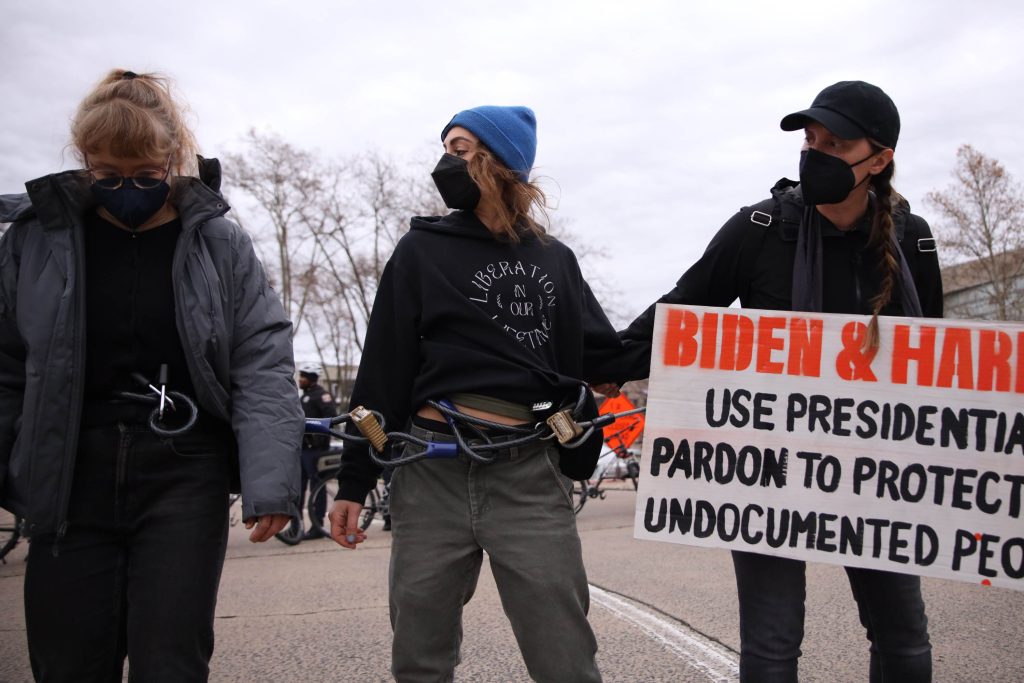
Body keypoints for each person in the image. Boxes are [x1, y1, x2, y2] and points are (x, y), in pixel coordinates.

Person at [610, 81, 942, 682]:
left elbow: (940, 365)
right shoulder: (758, 229)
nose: (814, 153)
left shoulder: (911, 239)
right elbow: (674, 318)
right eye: (810, 139)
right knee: (771, 648)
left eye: (834, 143)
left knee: (904, 640)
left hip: (877, 473)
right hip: (771, 473)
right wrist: (591, 365)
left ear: (880, 159)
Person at [0, 69, 303, 682]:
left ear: (173, 159)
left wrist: (272, 480)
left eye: (145, 175)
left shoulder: (219, 243)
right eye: (106, 175)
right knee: (67, 660)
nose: (126, 189)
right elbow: (6, 364)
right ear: (83, 163)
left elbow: (262, 360)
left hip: (184, 470)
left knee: (172, 659)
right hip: (68, 474)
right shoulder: (35, 240)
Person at [328, 105, 622, 682]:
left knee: (566, 659)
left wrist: (685, 349)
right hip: (429, 471)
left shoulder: (554, 259)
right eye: (446, 148)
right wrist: (357, 480)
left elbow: (605, 356)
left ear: (503, 161)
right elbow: (380, 371)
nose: (446, 162)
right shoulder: (420, 251)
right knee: (419, 655)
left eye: (461, 149)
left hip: (531, 473)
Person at [297, 363, 336, 539]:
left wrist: (319, 442)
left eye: (303, 376)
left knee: (317, 489)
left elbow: (331, 421)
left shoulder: (322, 396)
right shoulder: (304, 397)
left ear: (312, 378)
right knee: (298, 489)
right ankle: (295, 526)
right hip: (302, 450)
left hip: (316, 451)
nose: (300, 379)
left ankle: (317, 525)